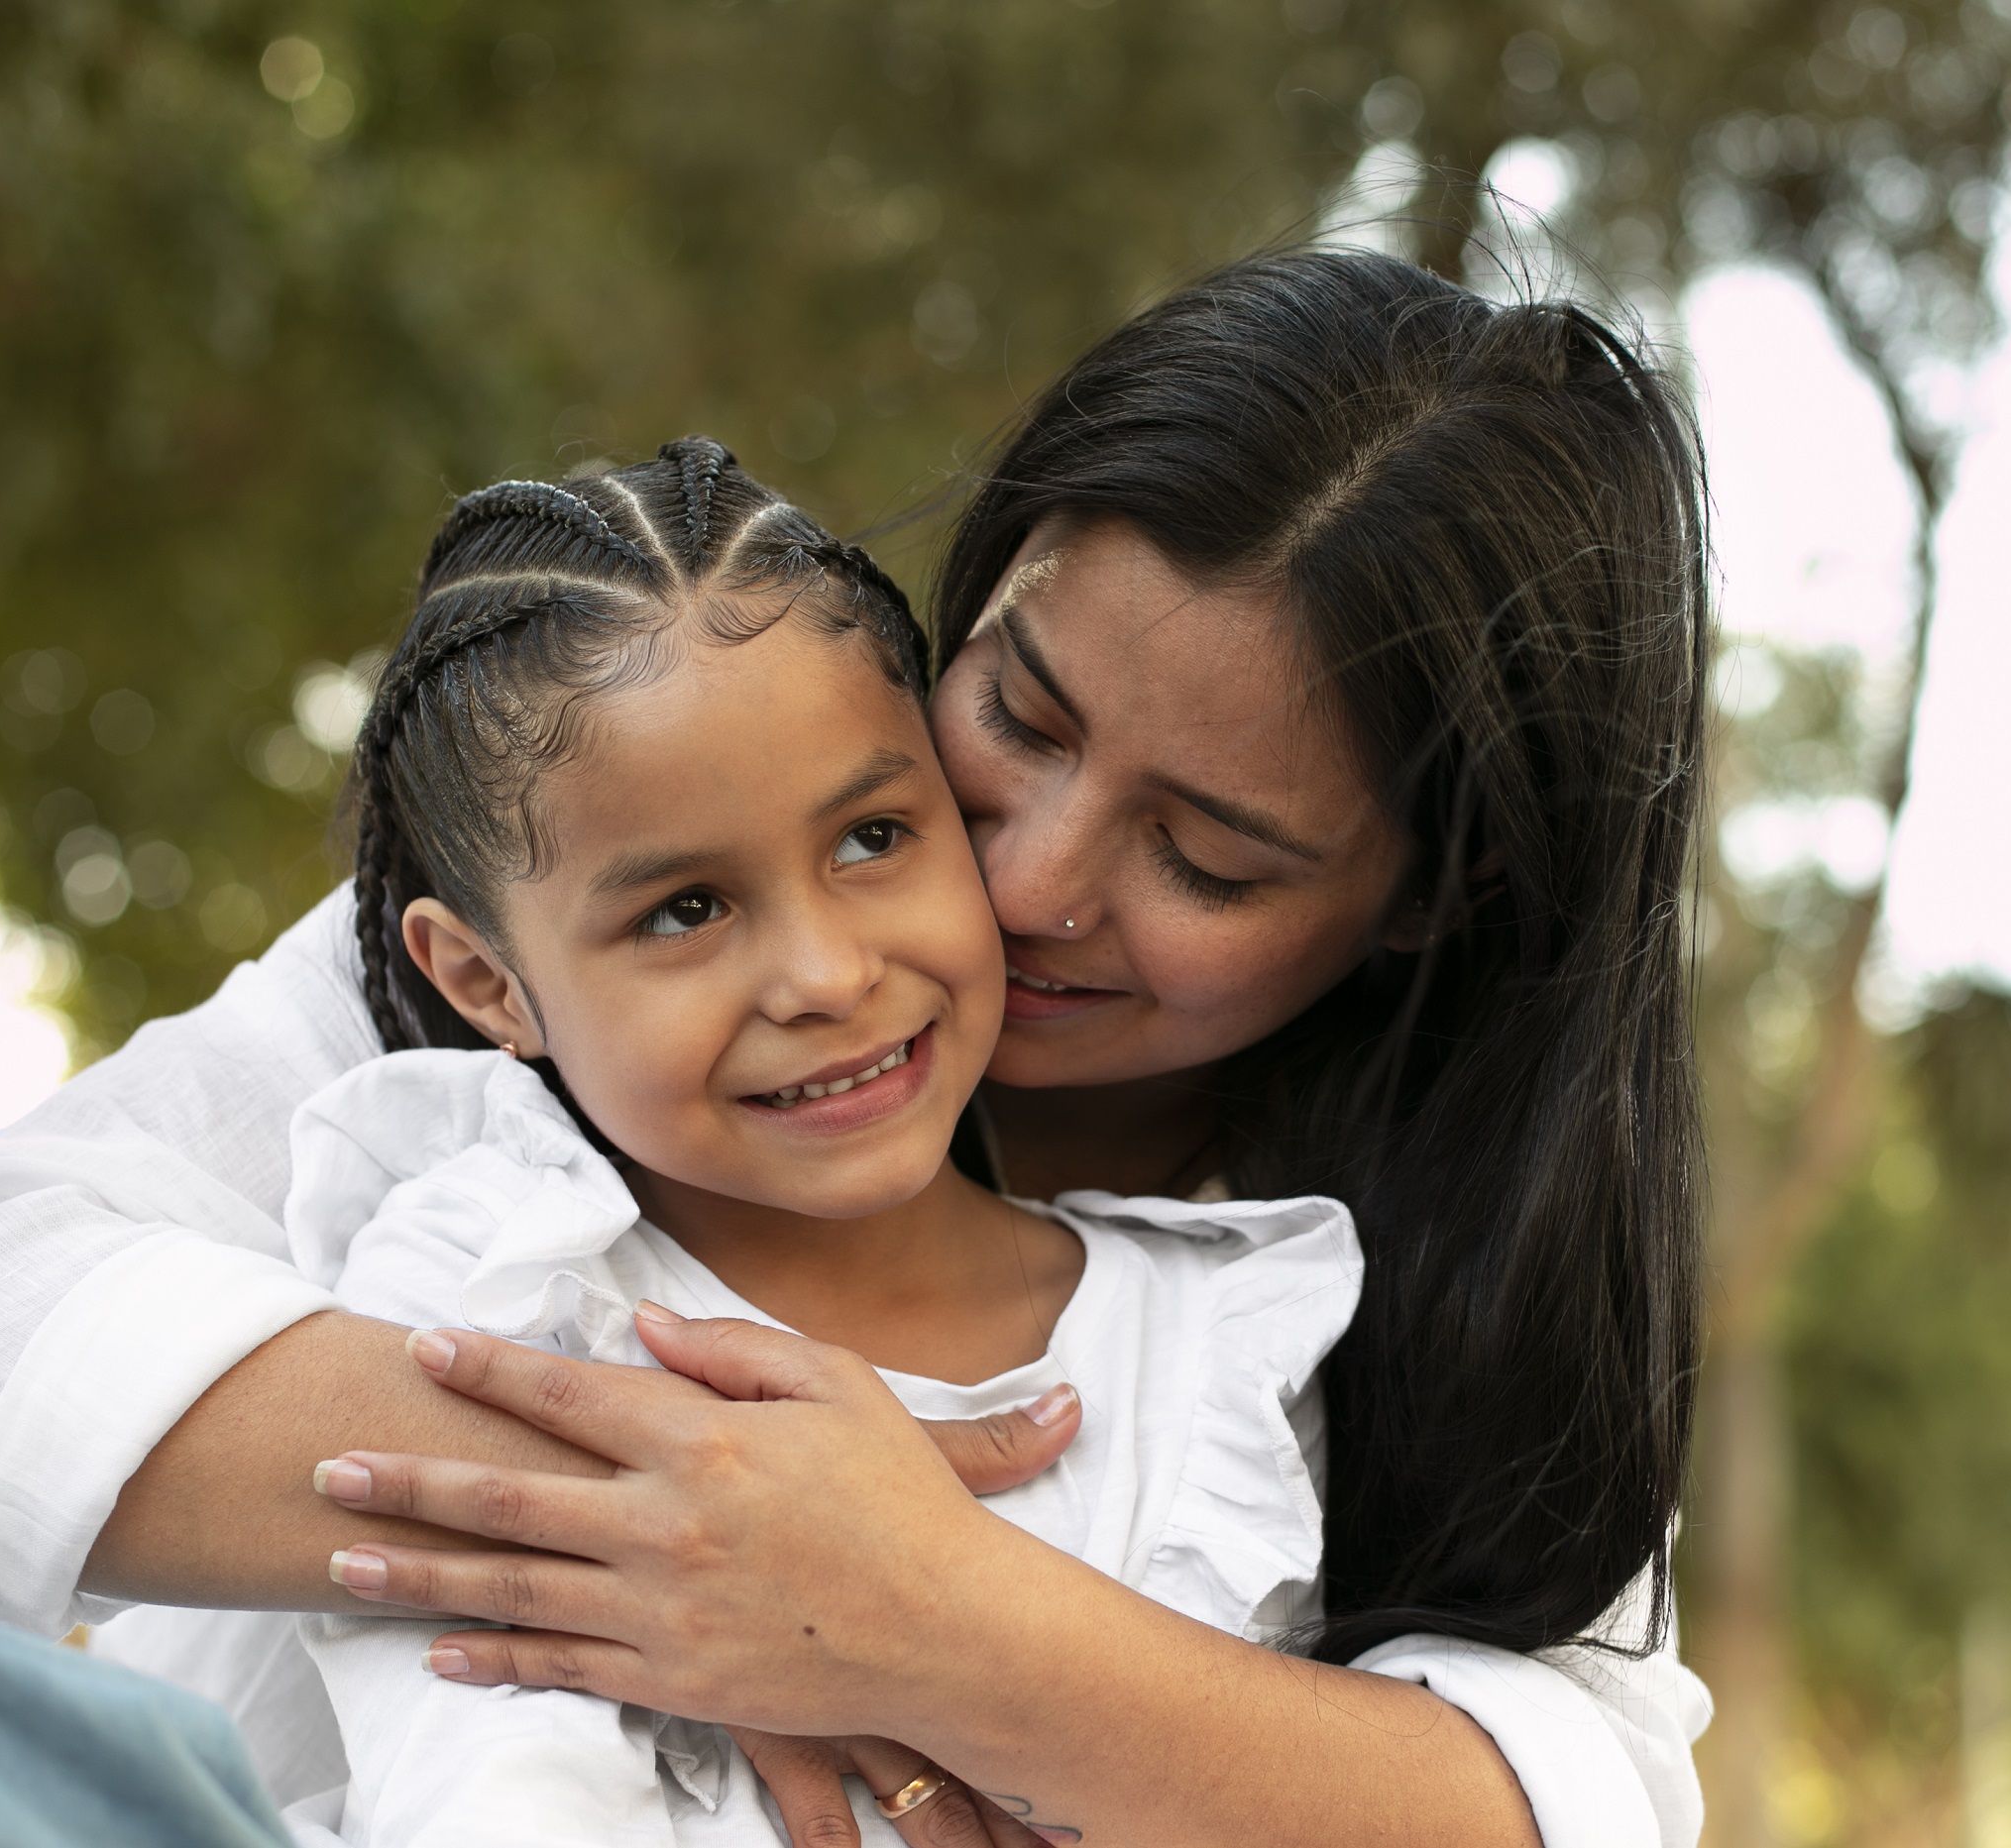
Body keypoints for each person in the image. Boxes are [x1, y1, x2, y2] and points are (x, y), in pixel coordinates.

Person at [0, 246, 1713, 1848]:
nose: (1020, 884)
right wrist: (684, 1511)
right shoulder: (551, 978)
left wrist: (936, 1624)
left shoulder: (1403, 1274)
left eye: (1201, 855)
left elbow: (1574, 1793)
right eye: (1014, 719)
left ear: (1426, 899)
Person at [279, 451, 1362, 1843]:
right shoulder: (500, 1284)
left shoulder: (1225, 1331)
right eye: (682, 909)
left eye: (870, 835)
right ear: (486, 983)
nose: (824, 972)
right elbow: (483, 1781)